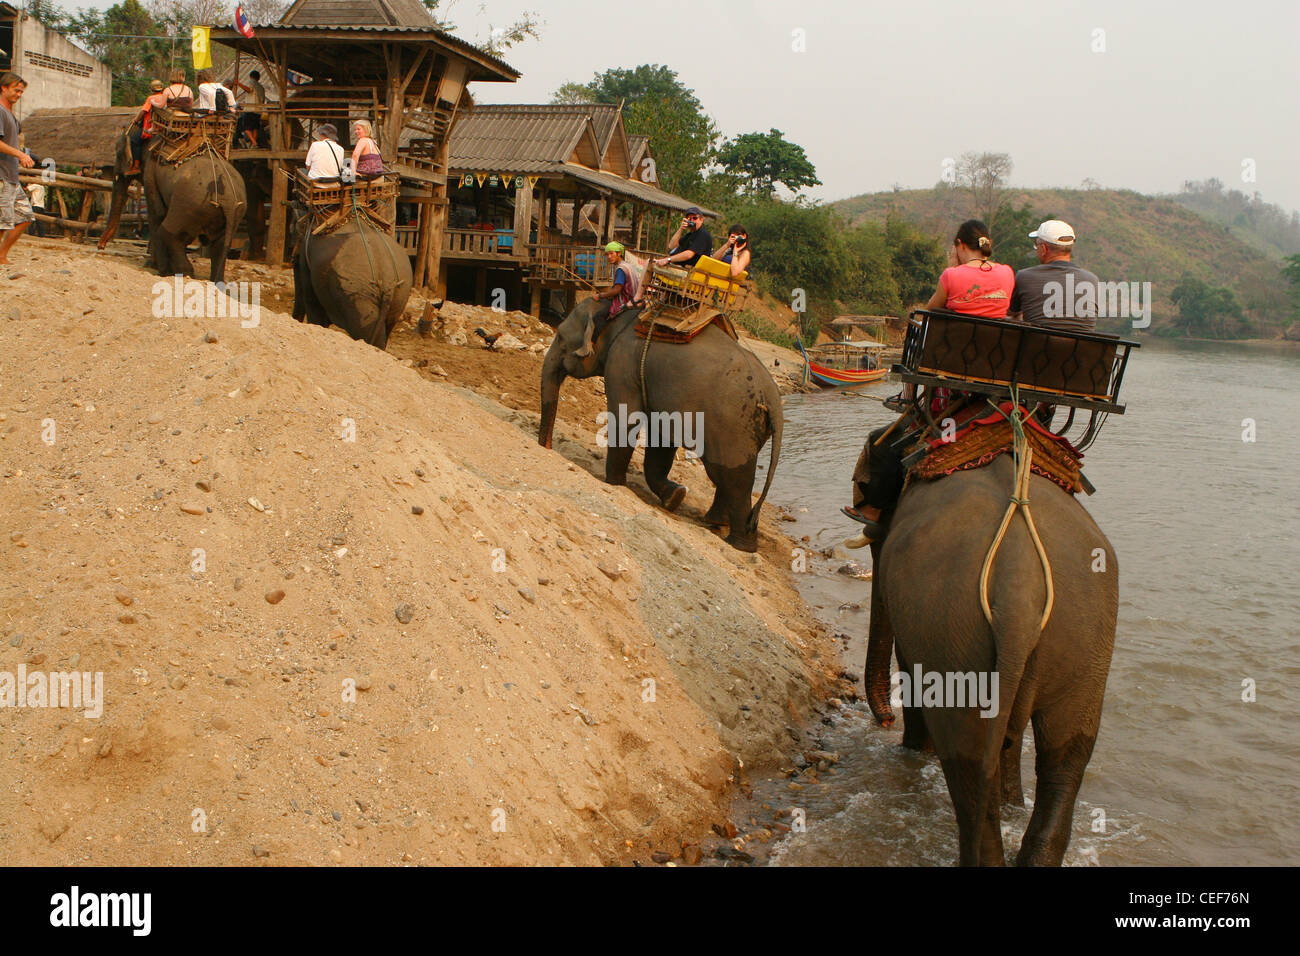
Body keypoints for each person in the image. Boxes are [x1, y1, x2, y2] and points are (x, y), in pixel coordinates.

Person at [844, 220, 1014, 546]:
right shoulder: (1007, 274)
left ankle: (875, 512)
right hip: (992, 389)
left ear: (960, 245)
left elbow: (932, 312)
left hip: (950, 391)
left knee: (883, 443)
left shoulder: (952, 276)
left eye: (955, 248)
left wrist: (952, 274)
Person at [1008, 219, 1099, 332]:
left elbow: (1012, 311)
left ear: (1044, 249)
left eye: (1037, 245)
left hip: (1037, 348)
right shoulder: (1092, 280)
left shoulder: (1024, 276)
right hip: (1081, 348)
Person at [577, 242, 642, 357]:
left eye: (611, 254)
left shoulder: (621, 269)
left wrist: (600, 295)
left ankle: (592, 344)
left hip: (625, 301)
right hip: (635, 298)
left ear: (618, 254)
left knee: (599, 316)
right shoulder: (628, 266)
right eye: (607, 255)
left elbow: (617, 290)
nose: (609, 257)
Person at [0, 72, 36, 266]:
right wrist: (20, 155)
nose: (19, 94)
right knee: (2, 220)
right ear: (4, 88)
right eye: (16, 90)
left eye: (21, 91)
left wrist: (21, 155)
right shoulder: (0, 112)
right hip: (1, 175)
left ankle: (2, 254)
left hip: (11, 175)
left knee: (25, 216)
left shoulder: (13, 118)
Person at [128, 79, 170, 175]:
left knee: (134, 141)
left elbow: (144, 111)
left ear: (151, 89)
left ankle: (136, 165)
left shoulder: (151, 98)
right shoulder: (166, 97)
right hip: (164, 127)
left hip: (151, 127)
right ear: (162, 89)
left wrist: (136, 120)